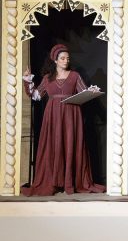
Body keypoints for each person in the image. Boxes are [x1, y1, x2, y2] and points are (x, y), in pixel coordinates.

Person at [21, 44, 105, 196]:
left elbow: (83, 91)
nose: (66, 60)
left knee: (70, 145)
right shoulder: (48, 78)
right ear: (55, 60)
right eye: (62, 58)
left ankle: (69, 182)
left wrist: (91, 91)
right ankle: (54, 182)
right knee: (54, 145)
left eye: (67, 58)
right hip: (52, 117)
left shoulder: (74, 76)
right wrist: (27, 80)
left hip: (72, 115)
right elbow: (35, 95)